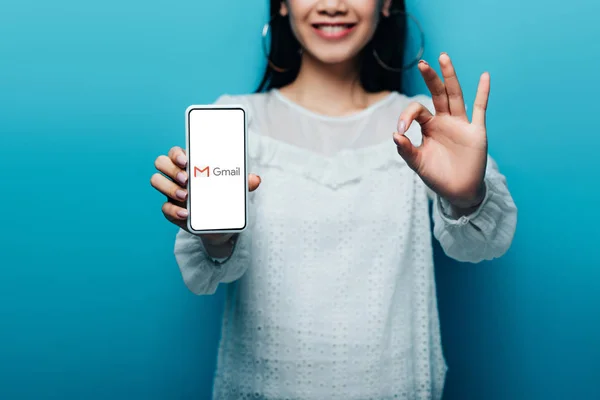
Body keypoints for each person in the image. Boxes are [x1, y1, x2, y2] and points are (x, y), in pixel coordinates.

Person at [150, 0, 518, 398]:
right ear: (282, 5)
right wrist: (215, 239)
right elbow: (212, 272)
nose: (332, 5)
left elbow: (481, 244)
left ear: (388, 4)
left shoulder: (426, 123)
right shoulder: (235, 121)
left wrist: (468, 198)